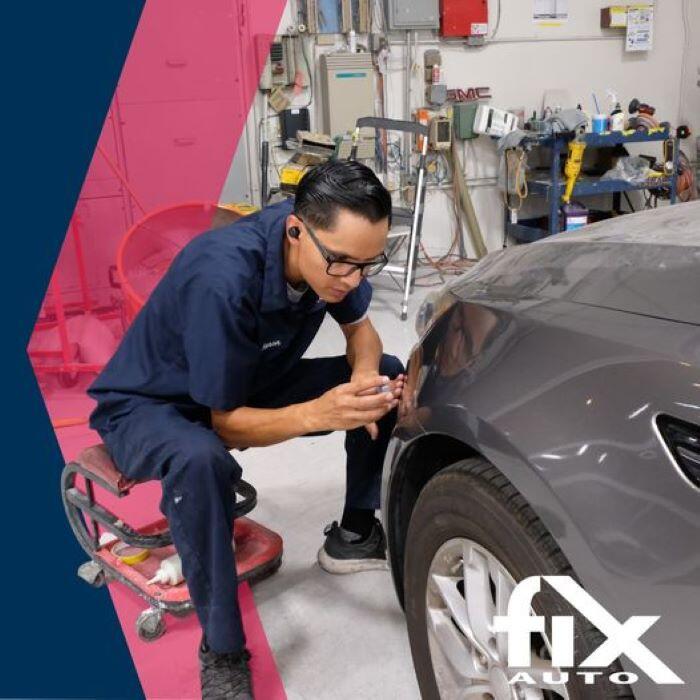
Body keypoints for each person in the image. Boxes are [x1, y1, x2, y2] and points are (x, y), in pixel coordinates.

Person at [87, 160, 405, 699]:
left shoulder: (333, 249)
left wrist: (363, 383)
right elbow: (224, 426)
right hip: (152, 403)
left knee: (387, 378)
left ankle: (354, 535)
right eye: (342, 265)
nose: (352, 279)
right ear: (296, 231)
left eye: (367, 265)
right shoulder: (222, 276)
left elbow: (362, 334)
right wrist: (320, 413)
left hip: (243, 381)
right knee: (199, 458)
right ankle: (223, 649)